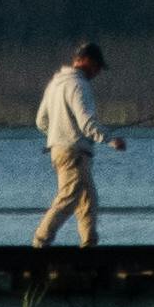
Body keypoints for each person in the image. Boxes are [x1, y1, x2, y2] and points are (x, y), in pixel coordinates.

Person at [31, 39, 115, 250]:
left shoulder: (55, 83)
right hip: (74, 153)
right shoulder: (79, 85)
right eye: (96, 66)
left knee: (88, 200)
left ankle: (88, 244)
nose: (97, 72)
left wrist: (58, 135)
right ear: (85, 61)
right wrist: (111, 139)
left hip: (59, 151)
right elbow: (87, 123)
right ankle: (40, 243)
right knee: (68, 198)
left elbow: (41, 121)